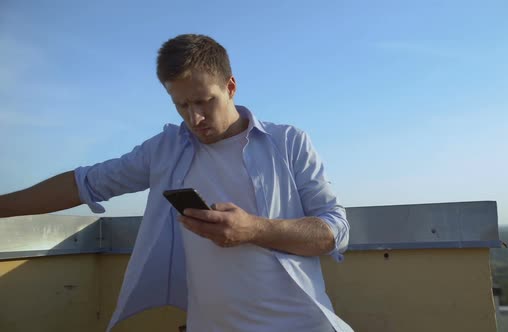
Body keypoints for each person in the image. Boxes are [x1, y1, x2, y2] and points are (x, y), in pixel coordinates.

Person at [0, 34, 352, 332]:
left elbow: (334, 232)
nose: (194, 118)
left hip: (302, 324)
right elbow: (84, 183)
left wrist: (254, 229)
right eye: (181, 105)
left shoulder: (288, 142)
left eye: (203, 101)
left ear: (230, 87)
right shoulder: (165, 150)